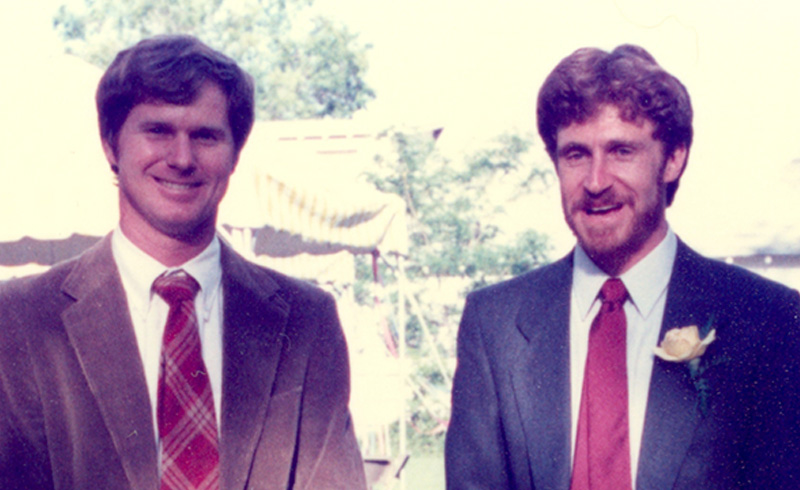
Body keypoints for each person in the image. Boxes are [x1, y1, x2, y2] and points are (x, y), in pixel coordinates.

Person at [0, 35, 366, 489]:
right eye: (157, 131)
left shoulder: (306, 321)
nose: (181, 158)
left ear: (234, 156)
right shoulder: (18, 319)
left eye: (206, 136)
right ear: (112, 146)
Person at [445, 44, 800, 489]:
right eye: (575, 155)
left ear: (673, 158)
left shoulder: (768, 321)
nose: (595, 182)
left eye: (621, 152)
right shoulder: (495, 326)